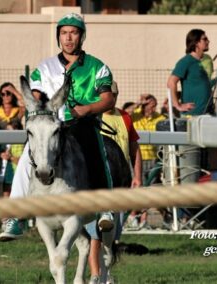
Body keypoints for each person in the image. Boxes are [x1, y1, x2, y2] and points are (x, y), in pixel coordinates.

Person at [0, 13, 115, 242]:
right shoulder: (45, 67)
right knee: (26, 156)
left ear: (82, 36)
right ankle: (13, 217)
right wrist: (34, 101)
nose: (68, 38)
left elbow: (108, 100)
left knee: (95, 149)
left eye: (73, 32)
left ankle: (105, 208)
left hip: (81, 124)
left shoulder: (97, 67)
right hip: (51, 127)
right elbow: (36, 95)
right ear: (58, 36)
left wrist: (87, 110)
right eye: (64, 33)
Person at [87, 81, 142, 281]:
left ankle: (104, 273)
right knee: (95, 234)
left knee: (113, 232)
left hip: (120, 180)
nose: (111, 99)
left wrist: (137, 176)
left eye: (114, 95)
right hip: (98, 183)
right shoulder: (93, 117)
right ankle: (97, 275)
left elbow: (135, 149)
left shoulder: (125, 117)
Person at [130, 94, 166, 229]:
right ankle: (133, 215)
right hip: (136, 158)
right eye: (150, 106)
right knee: (136, 188)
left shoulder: (159, 118)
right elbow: (124, 113)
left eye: (154, 106)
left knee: (149, 189)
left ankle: (144, 219)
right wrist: (138, 103)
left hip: (152, 158)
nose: (153, 109)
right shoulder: (135, 115)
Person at [167, 29, 213, 116]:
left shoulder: (201, 61)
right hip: (192, 115)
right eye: (205, 39)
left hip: (207, 113)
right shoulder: (186, 61)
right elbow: (171, 82)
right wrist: (177, 105)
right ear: (196, 42)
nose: (208, 41)